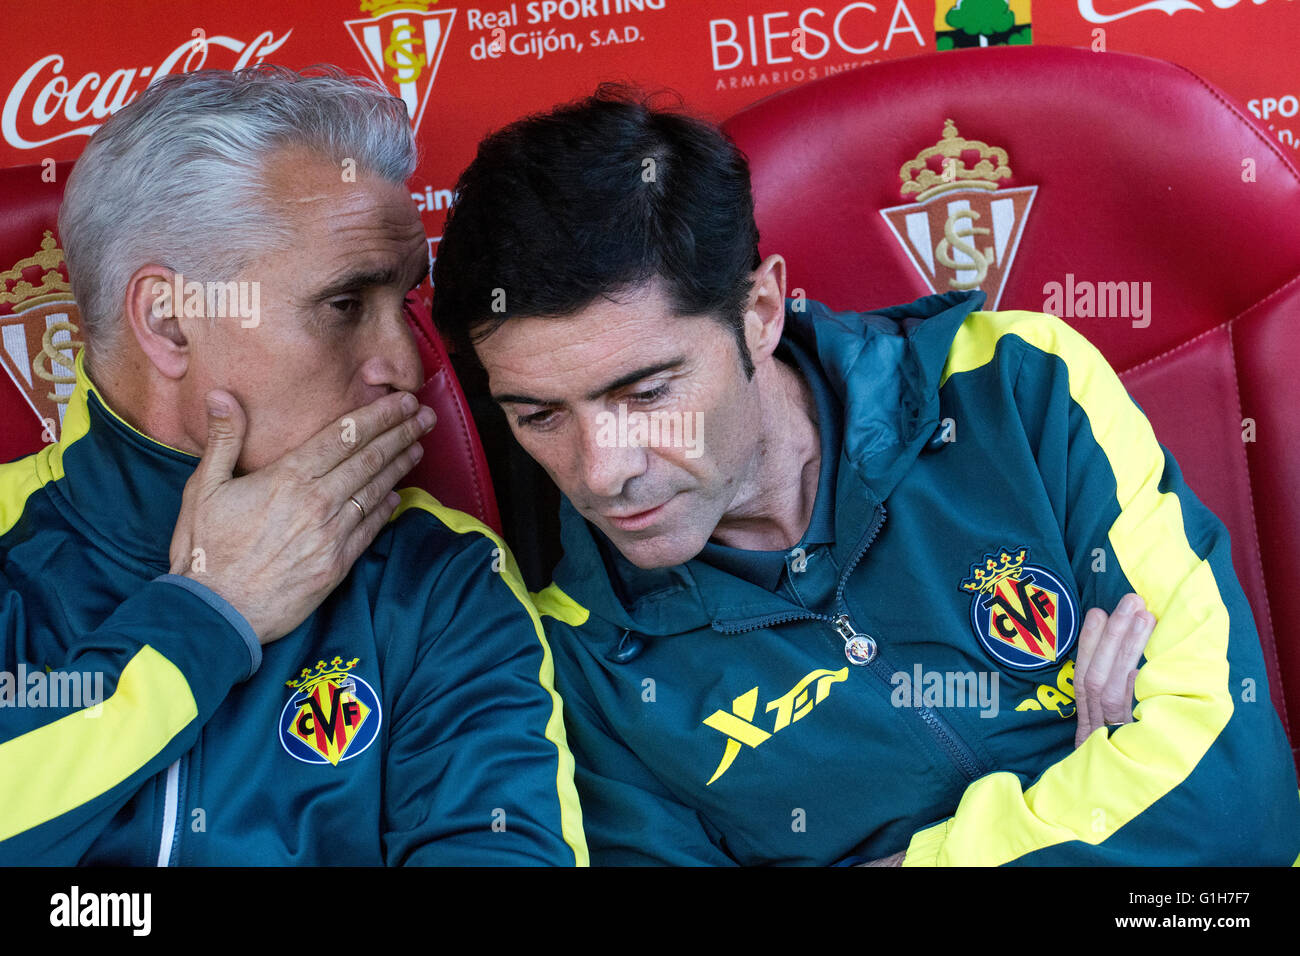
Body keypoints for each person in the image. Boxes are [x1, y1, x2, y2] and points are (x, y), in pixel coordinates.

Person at [430, 84, 1300, 865]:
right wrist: (1091, 792)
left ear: (760, 311)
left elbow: (1231, 819)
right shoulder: (578, 657)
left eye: (648, 392)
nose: (604, 470)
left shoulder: (1020, 390)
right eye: (540, 416)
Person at [0, 66, 585, 865]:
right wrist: (206, 616)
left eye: (405, 303)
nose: (406, 369)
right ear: (169, 321)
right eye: (345, 306)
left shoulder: (440, 573)